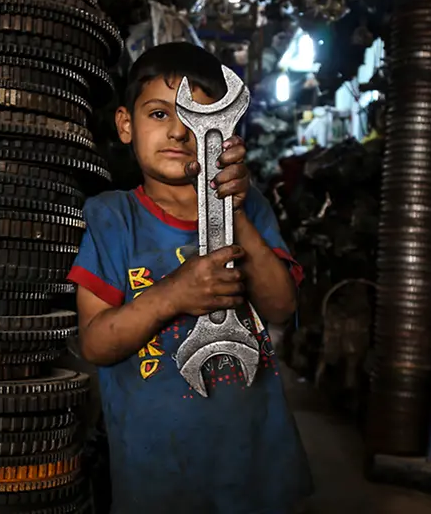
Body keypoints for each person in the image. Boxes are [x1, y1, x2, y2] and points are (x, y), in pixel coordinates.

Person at [68, 42, 313, 514]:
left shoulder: (249, 205)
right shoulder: (112, 218)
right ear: (125, 125)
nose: (180, 132)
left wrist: (233, 212)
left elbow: (281, 308)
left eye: (197, 118)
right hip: (156, 473)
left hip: (258, 465)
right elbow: (96, 343)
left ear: (222, 131)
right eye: (159, 114)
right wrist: (172, 295)